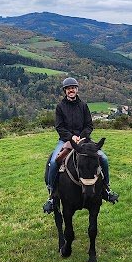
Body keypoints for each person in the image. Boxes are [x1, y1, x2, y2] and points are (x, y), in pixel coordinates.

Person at [43, 77, 118, 213]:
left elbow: (89, 125)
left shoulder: (83, 105)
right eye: (68, 88)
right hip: (65, 140)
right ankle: (52, 196)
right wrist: (71, 137)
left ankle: (106, 189)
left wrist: (82, 137)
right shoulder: (60, 107)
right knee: (54, 162)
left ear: (77, 90)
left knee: (104, 159)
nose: (71, 90)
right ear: (65, 91)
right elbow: (59, 127)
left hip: (84, 141)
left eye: (73, 87)